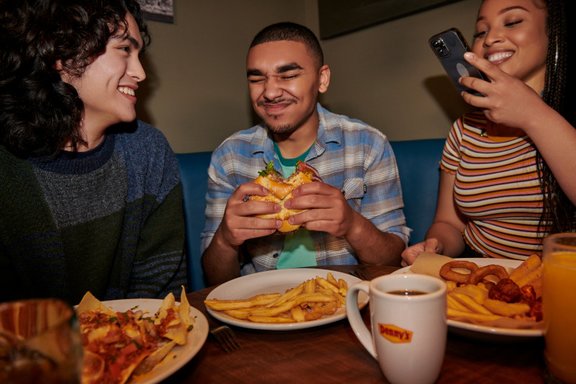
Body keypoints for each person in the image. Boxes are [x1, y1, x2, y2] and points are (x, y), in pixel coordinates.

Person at [0, 0, 187, 303]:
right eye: (125, 49)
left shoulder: (149, 150)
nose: (140, 73)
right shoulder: (7, 170)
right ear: (60, 53)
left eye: (139, 54)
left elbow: (160, 290)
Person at [201, 22, 409, 285]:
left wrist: (352, 225)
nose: (270, 92)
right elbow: (215, 279)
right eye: (256, 79)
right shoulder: (229, 157)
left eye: (287, 76)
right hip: (260, 308)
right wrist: (225, 240)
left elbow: (393, 260)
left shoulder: (368, 144)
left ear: (322, 79)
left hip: (346, 302)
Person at [402, 0, 576, 265]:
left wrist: (532, 114)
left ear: (554, 32)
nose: (491, 38)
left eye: (513, 21)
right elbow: (449, 223)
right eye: (481, 31)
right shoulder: (465, 129)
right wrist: (435, 246)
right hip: (479, 280)